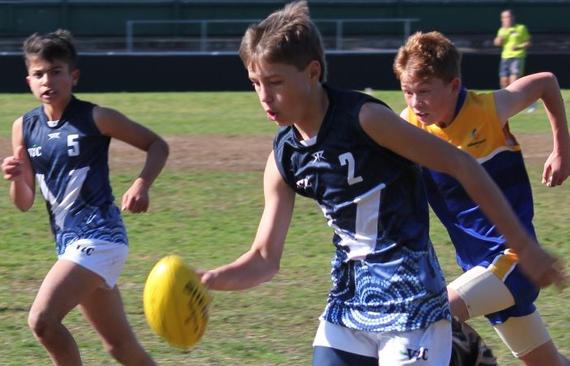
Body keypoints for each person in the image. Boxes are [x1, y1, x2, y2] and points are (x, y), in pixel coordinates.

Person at [198, 2, 566, 365]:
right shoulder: (286, 156)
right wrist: (209, 279)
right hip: (351, 307)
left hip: (432, 299)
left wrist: (526, 243)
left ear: (312, 72)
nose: (264, 96)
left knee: (458, 317)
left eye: (275, 82)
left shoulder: (371, 119)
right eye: (255, 83)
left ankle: (463, 357)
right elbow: (264, 258)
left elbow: (464, 163)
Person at [393, 31, 570, 366]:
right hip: (477, 265)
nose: (415, 102)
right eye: (408, 92)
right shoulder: (411, 125)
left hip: (511, 260)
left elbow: (546, 82)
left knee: (428, 318)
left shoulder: (489, 109)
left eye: (425, 91)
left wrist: (562, 149)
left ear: (454, 85)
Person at [0, 29, 168, 366]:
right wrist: (17, 178)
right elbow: (24, 201)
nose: (47, 80)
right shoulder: (24, 127)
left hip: (102, 238)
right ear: (28, 81)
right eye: (38, 74)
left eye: (56, 71)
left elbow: (157, 144)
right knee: (119, 347)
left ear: (73, 76)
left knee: (43, 321)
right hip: (69, 243)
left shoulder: (96, 117)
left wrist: (141, 184)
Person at [494, 9, 531, 89]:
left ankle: (515, 98)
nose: (506, 19)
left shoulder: (521, 28)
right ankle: (505, 99)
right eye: (504, 17)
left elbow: (528, 43)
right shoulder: (501, 30)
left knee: (514, 81)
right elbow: (497, 43)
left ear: (513, 17)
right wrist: (501, 36)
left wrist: (518, 47)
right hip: (505, 57)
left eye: (508, 17)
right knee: (503, 81)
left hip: (517, 57)